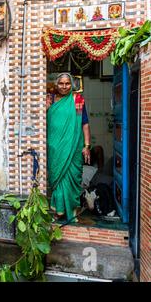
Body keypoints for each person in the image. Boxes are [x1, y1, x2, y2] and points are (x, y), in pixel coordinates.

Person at [47, 73, 91, 222]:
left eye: (67, 84)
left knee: (72, 178)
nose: (64, 86)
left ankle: (71, 212)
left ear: (71, 84)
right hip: (55, 147)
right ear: (56, 84)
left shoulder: (77, 100)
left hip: (74, 147)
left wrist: (87, 146)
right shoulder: (50, 99)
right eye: (61, 83)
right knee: (57, 179)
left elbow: (84, 124)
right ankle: (58, 211)